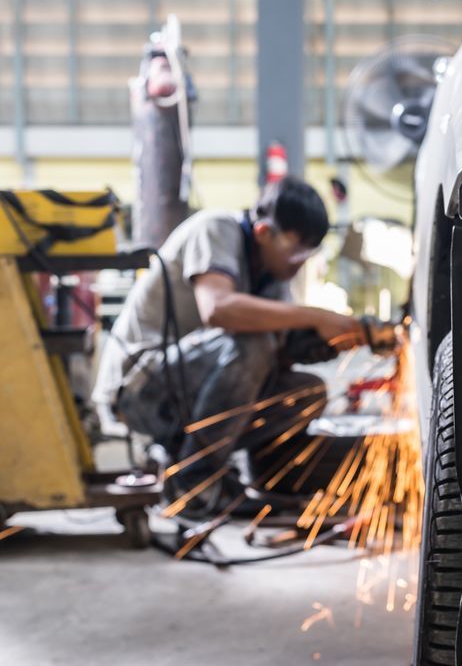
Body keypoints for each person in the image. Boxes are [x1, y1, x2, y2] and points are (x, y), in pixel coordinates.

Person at [92, 176, 364, 500]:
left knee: (306, 393)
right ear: (264, 232)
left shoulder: (272, 276)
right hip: (140, 388)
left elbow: (276, 355)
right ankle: (196, 486)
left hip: (189, 388)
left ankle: (259, 482)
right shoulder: (216, 229)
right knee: (253, 344)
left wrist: (326, 340)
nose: (299, 264)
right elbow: (218, 310)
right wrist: (317, 316)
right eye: (295, 254)